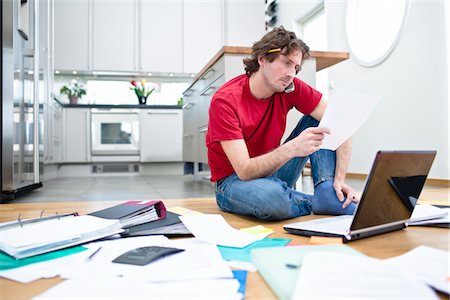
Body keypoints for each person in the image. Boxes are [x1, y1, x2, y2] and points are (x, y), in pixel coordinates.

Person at [206, 26, 359, 221]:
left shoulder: (290, 87)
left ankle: (327, 192)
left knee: (321, 119)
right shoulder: (226, 100)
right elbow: (244, 170)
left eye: (295, 67)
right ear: (262, 59)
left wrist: (339, 180)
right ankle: (312, 201)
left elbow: (340, 123)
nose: (291, 74)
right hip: (233, 182)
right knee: (272, 198)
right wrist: (292, 148)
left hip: (272, 173)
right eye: (286, 63)